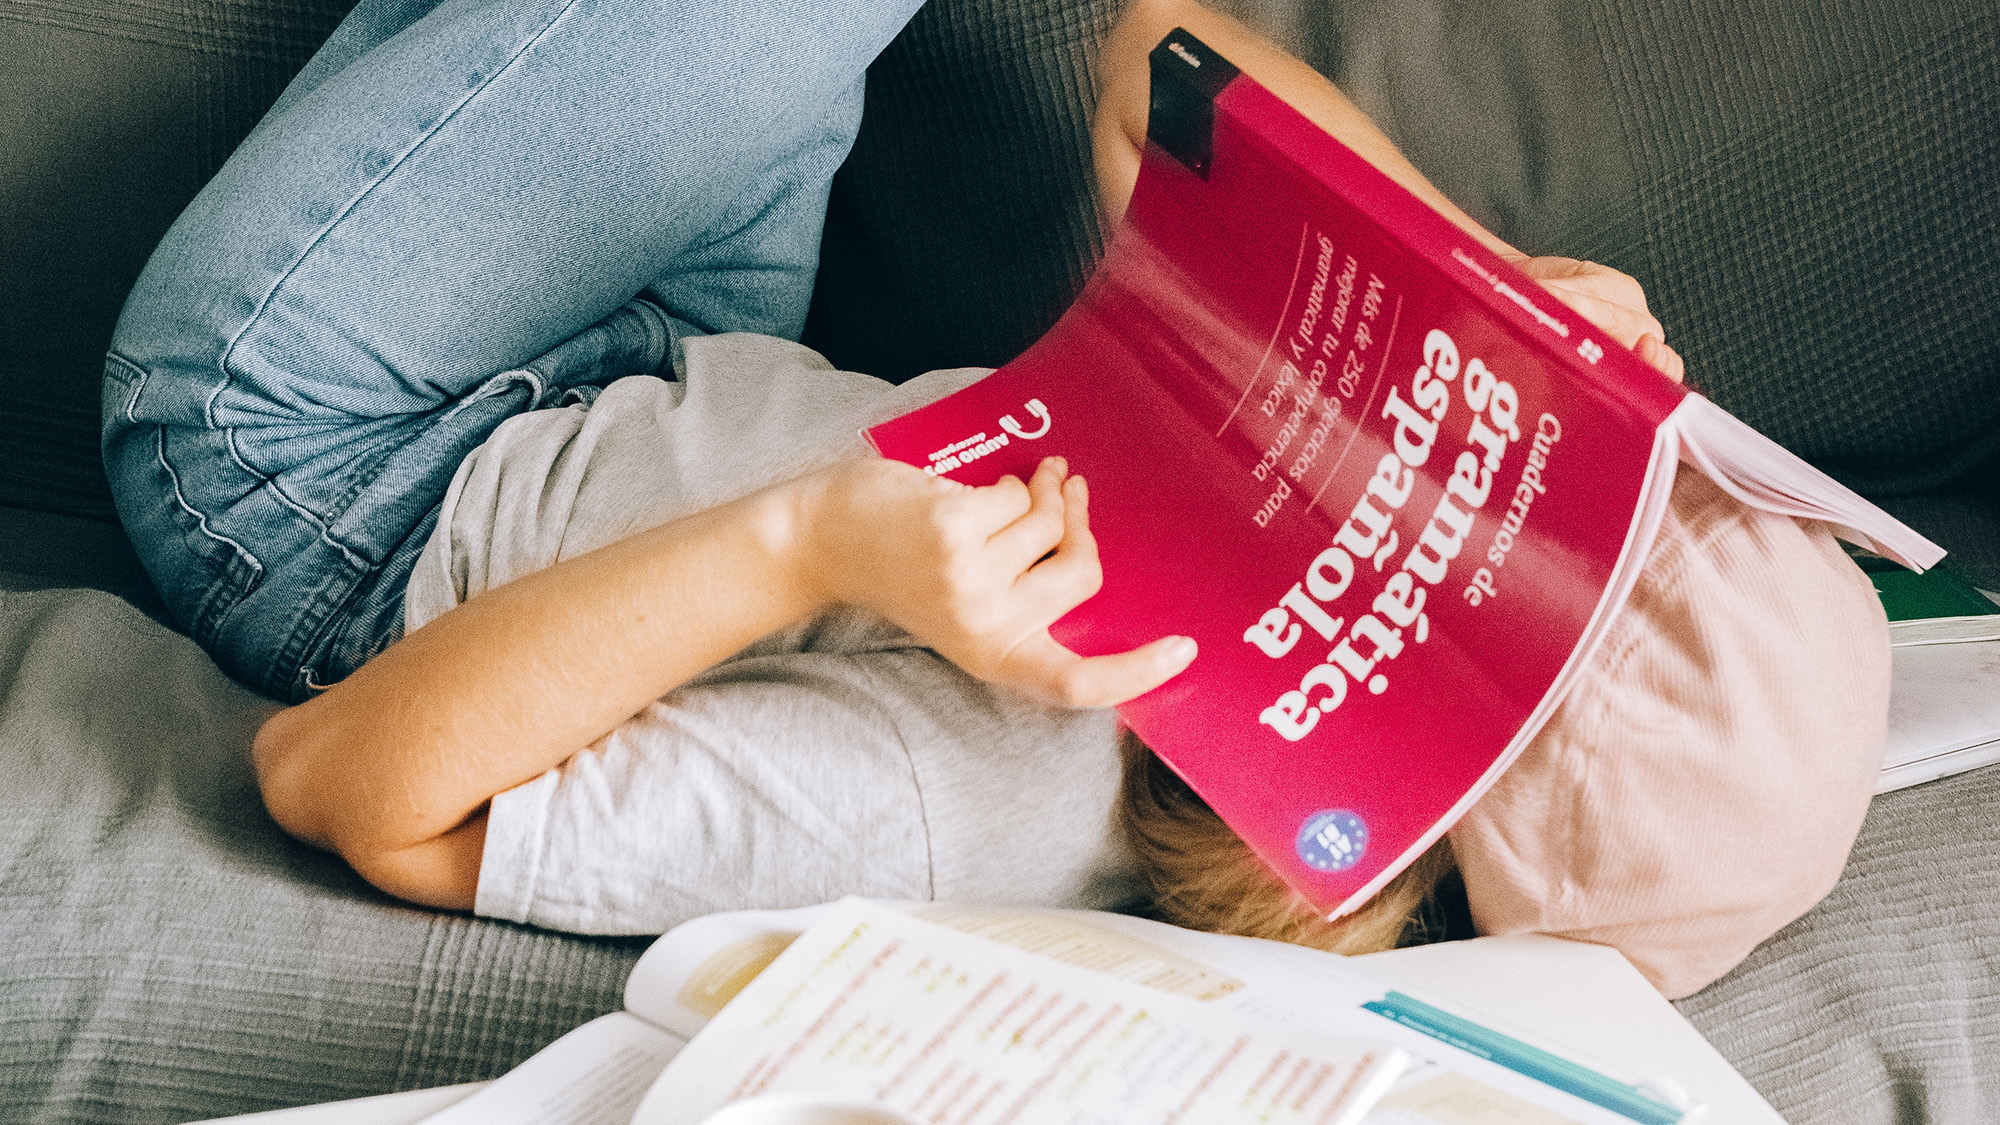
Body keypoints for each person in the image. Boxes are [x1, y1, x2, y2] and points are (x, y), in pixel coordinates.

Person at [103, 0, 1887, 999]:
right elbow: (1159, 63)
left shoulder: (977, 803)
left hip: (332, 479)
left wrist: (806, 542)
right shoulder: (1306, 521)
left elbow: (345, 783)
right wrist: (1488, 285)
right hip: (656, 361)